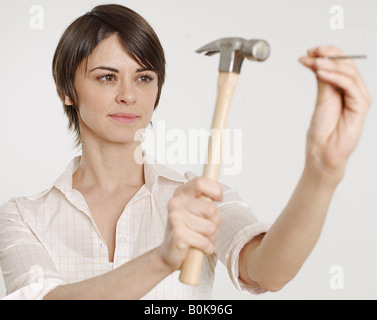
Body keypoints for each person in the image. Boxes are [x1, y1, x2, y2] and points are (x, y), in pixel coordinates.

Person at [0, 4, 371, 300]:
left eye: (144, 77)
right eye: (106, 76)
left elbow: (268, 271)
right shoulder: (21, 217)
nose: (129, 94)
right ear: (66, 90)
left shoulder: (195, 196)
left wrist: (322, 173)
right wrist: (162, 259)